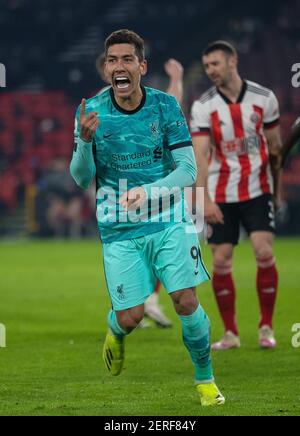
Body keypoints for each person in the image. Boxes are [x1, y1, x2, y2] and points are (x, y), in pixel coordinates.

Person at [70, 29, 224, 406]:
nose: (118, 66)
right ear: (106, 68)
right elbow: (81, 177)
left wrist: (150, 191)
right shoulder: (90, 111)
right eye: (111, 60)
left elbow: (187, 171)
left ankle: (205, 381)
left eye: (126, 59)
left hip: (169, 217)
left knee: (185, 301)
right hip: (119, 226)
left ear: (141, 66)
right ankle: (115, 331)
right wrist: (86, 142)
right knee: (131, 318)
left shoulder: (165, 106)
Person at [190, 40, 282, 350]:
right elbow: (200, 156)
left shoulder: (264, 98)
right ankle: (230, 333)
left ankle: (266, 327)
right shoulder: (203, 106)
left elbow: (276, 149)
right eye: (206, 66)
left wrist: (277, 188)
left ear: (233, 62)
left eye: (215, 64)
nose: (210, 71)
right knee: (221, 259)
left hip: (258, 188)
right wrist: (202, 198)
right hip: (220, 191)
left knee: (264, 252)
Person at [94, 53, 185, 328]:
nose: (118, 70)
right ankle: (136, 303)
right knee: (139, 244)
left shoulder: (147, 98)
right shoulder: (102, 102)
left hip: (151, 186)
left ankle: (148, 301)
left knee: (156, 241)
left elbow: (171, 107)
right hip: (123, 191)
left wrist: (177, 80)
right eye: (111, 64)